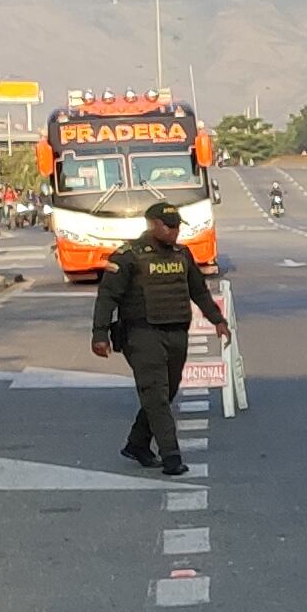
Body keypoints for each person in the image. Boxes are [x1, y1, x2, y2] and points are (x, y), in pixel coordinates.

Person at [90, 200, 227, 477]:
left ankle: (137, 443)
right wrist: (100, 334)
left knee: (169, 390)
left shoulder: (182, 254)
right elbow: (107, 297)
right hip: (141, 333)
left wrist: (217, 320)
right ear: (153, 225)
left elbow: (198, 291)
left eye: (178, 226)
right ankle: (171, 457)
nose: (175, 232)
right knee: (156, 394)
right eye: (169, 226)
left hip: (176, 331)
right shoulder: (128, 256)